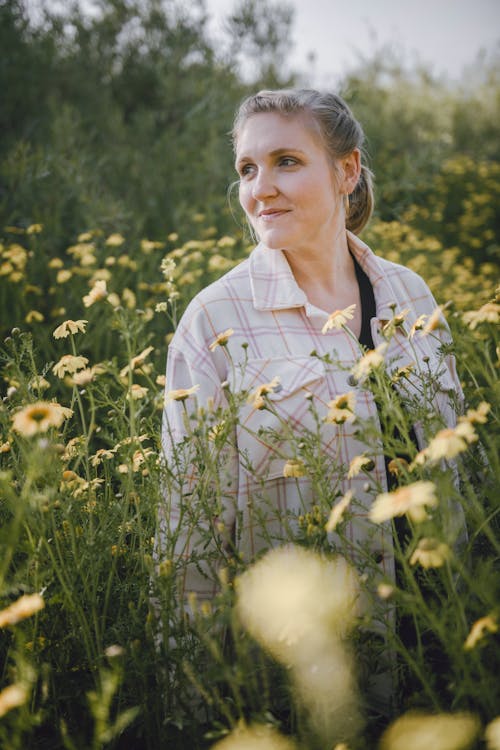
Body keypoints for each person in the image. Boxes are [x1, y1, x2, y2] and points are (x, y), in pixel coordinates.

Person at [156, 88, 462, 664]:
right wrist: (192, 700)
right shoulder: (215, 321)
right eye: (247, 169)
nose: (260, 188)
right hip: (307, 671)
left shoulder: (410, 292)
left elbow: (463, 470)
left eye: (286, 162)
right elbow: (187, 530)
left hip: (447, 650)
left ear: (347, 171)